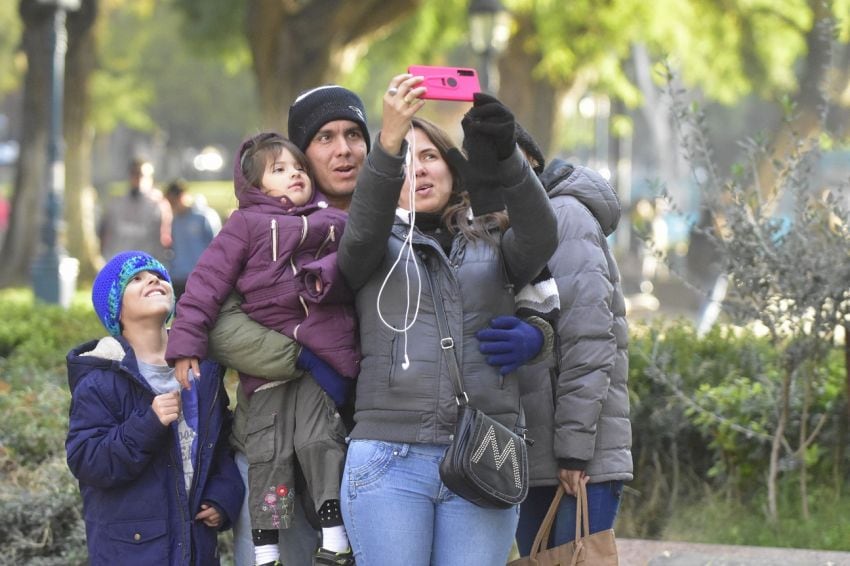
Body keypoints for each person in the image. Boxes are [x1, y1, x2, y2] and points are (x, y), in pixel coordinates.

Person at [334, 74, 557, 565]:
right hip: (390, 460)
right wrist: (388, 140)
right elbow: (360, 234)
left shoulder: (492, 239)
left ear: (453, 168)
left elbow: (541, 236)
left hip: (485, 453)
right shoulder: (373, 243)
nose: (420, 169)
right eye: (406, 161)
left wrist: (507, 158)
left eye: (430, 155)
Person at [165, 132, 358, 566]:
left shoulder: (331, 221)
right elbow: (205, 285)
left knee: (319, 440)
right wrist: (185, 342)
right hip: (270, 368)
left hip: (322, 358)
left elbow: (356, 265)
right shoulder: (245, 225)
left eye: (299, 168)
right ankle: (266, 548)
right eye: (280, 169)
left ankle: (335, 535)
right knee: (268, 454)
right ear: (255, 187)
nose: (295, 175)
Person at [205, 85, 371, 566]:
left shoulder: (394, 220)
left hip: (367, 452)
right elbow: (217, 323)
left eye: (354, 134)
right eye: (324, 138)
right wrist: (304, 358)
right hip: (274, 441)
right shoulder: (262, 229)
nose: (342, 149)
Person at [65, 251, 243, 566]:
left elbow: (223, 443)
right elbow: (87, 459)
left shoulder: (203, 370)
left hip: (195, 548)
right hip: (132, 552)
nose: (152, 279)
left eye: (157, 275)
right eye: (135, 279)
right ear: (116, 310)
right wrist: (148, 423)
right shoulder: (101, 379)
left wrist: (223, 495)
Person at [512, 142, 633, 554]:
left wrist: (574, 454)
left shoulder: (564, 216)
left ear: (530, 161)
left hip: (579, 459)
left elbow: (591, 341)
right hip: (541, 455)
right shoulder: (512, 225)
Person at [99, 158, 173, 263]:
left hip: (145, 265)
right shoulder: (116, 204)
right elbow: (104, 234)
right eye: (135, 174)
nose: (138, 179)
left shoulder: (159, 206)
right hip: (119, 264)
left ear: (151, 179)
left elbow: (165, 239)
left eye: (142, 175)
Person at [164, 178, 222, 299]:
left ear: (183, 196)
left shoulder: (204, 216)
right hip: (178, 277)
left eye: (174, 202)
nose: (172, 206)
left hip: (200, 277)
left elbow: (217, 247)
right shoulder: (173, 220)